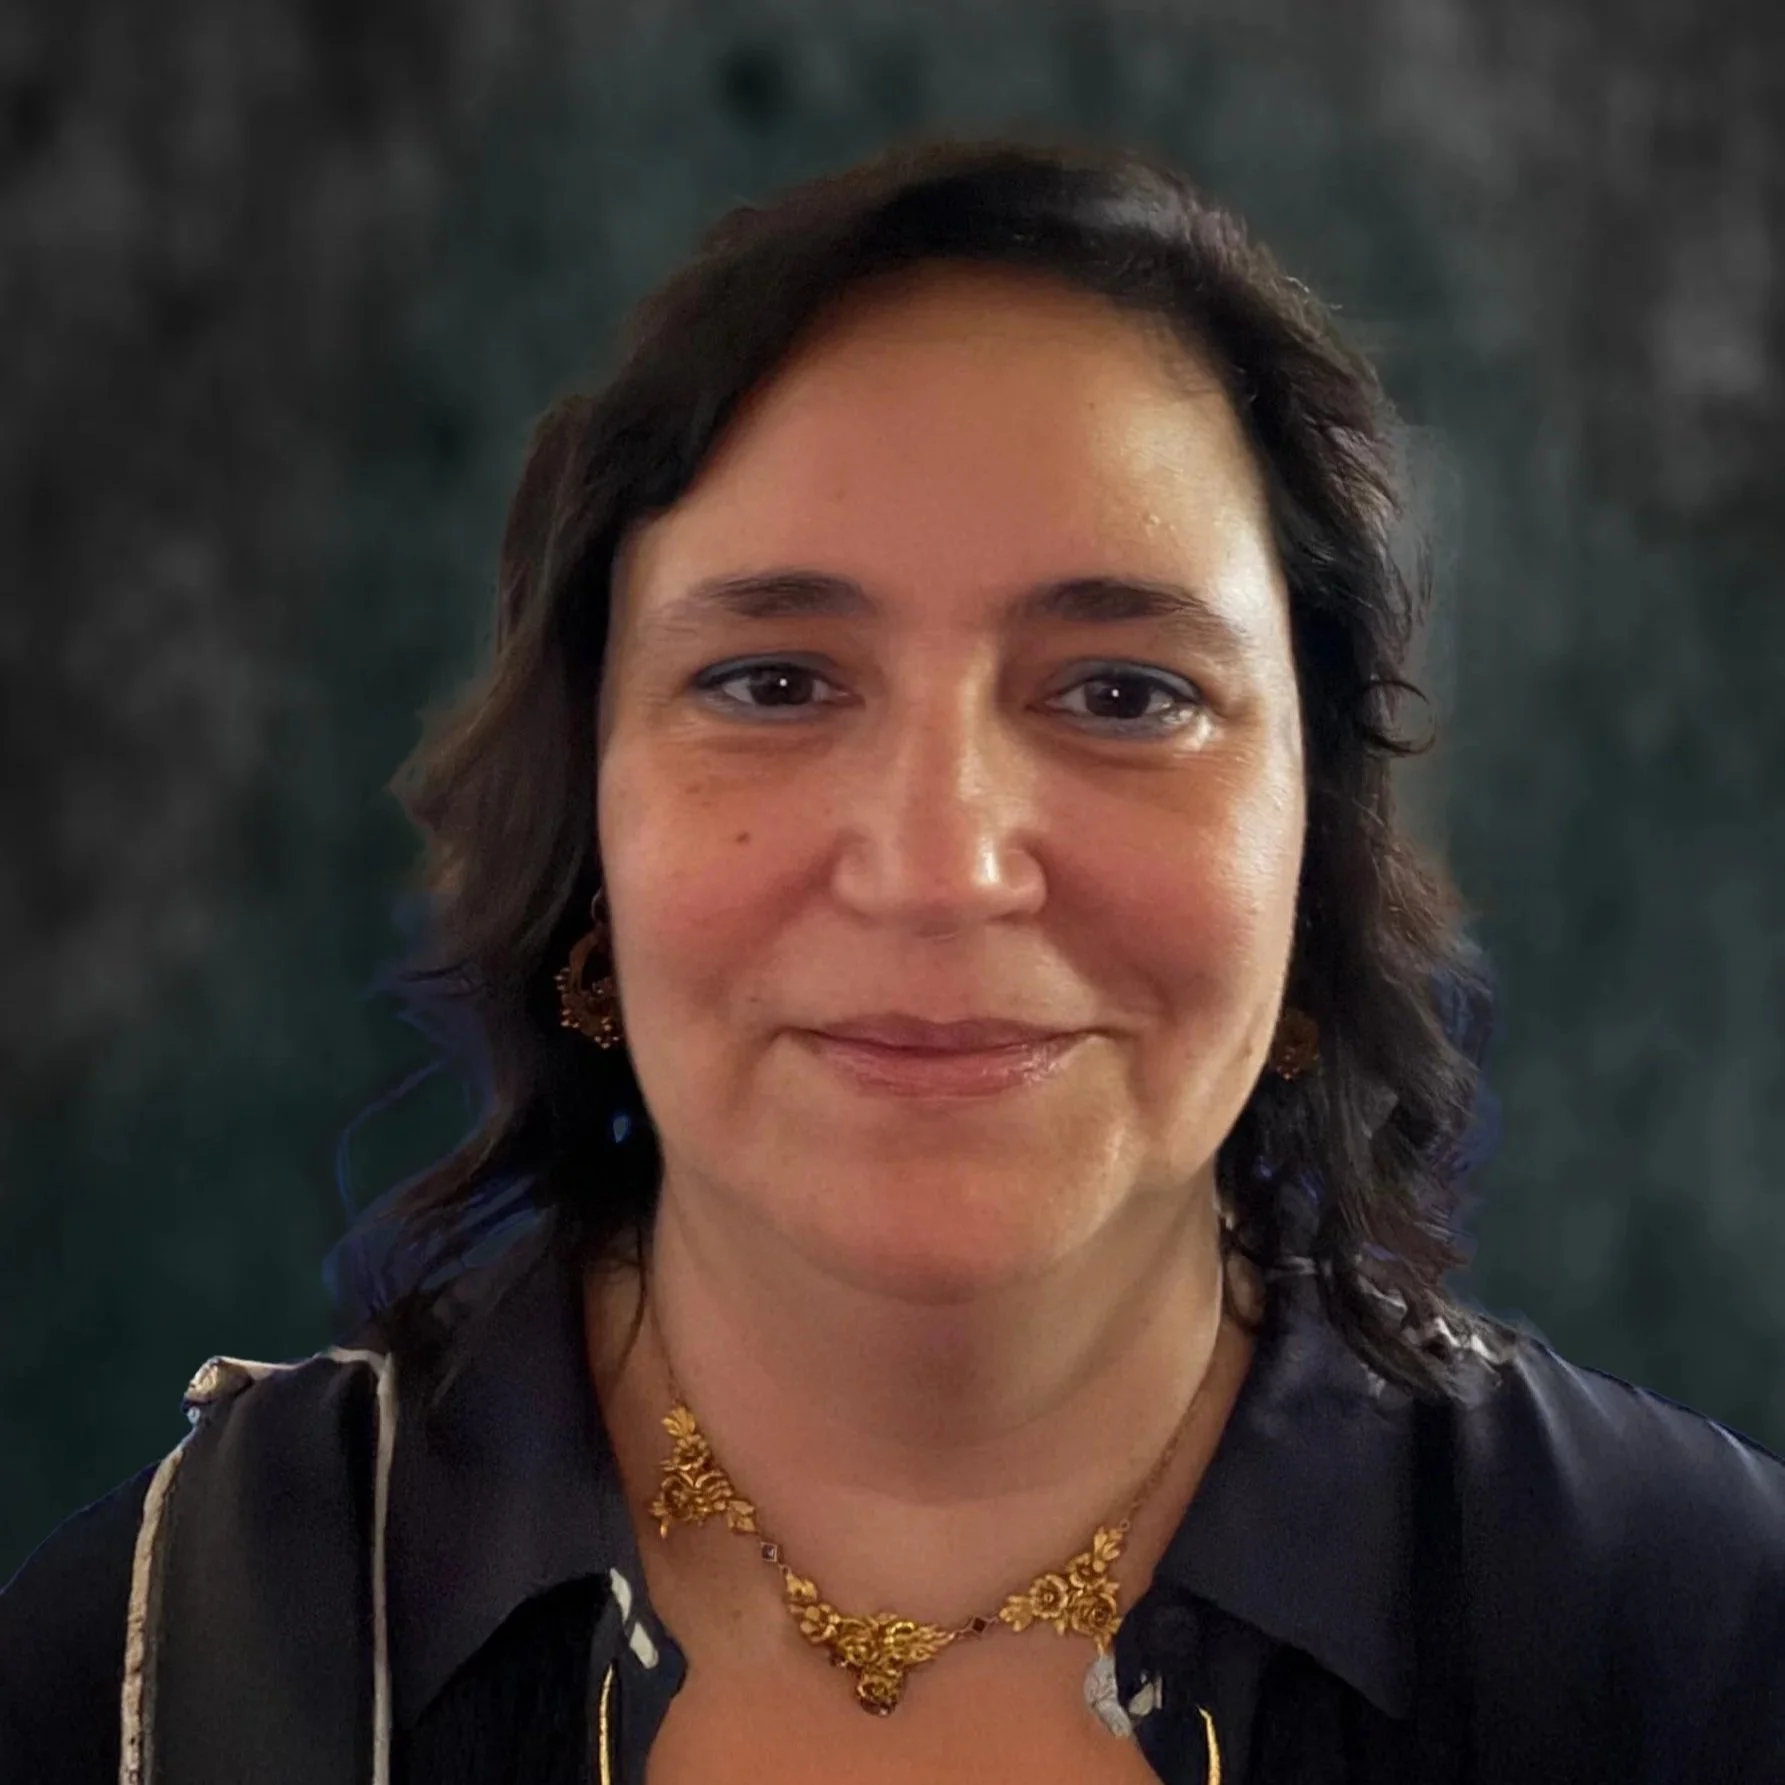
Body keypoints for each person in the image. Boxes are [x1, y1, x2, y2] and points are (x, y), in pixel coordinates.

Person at [2, 131, 1781, 1785]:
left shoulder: (1694, 1640)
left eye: (1125, 694)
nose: (941, 868)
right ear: (588, 838)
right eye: (771, 683)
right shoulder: (158, 1665)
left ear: (1316, 844)